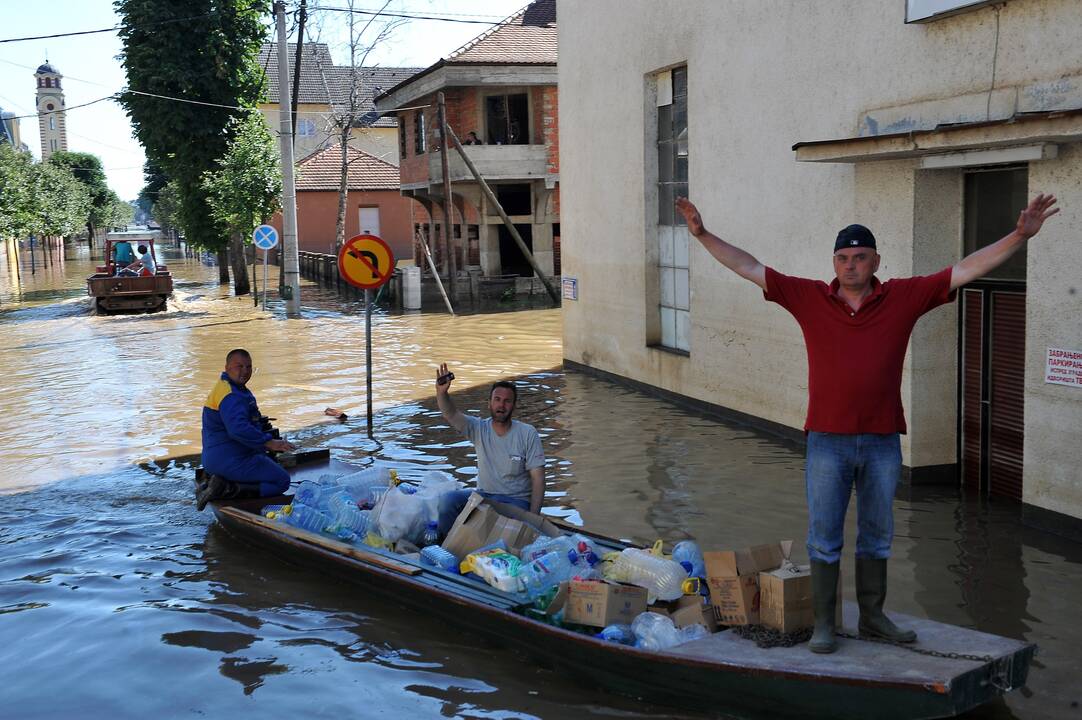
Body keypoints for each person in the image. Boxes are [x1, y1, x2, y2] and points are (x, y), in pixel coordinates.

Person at [675, 192, 1058, 654]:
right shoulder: (808, 296)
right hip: (827, 442)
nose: (851, 264)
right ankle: (823, 624)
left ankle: (875, 618)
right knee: (824, 537)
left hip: (880, 442)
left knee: (877, 535)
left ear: (875, 260)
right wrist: (701, 235)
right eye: (843, 257)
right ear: (833, 263)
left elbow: (967, 269)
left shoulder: (903, 296)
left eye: (860, 257)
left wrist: (1019, 234)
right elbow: (748, 266)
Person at [434, 362, 545, 519]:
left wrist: (534, 519)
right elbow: (450, 414)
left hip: (516, 503)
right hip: (484, 497)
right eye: (497, 399)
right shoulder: (479, 428)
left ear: (514, 406)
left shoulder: (528, 433)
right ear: (489, 403)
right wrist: (441, 393)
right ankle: (445, 543)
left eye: (507, 401)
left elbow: (538, 479)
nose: (501, 405)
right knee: (447, 501)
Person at [196, 349, 297, 510]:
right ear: (227, 367)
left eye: (248, 367)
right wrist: (269, 443)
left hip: (215, 458)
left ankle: (218, 483)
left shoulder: (227, 387)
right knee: (282, 481)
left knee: (266, 463)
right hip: (230, 459)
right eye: (239, 366)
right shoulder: (231, 396)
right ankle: (228, 489)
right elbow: (238, 429)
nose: (245, 371)